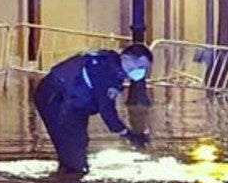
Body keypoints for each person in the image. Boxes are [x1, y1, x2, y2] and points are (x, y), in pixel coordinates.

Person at [34, 43, 152, 175]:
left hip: (72, 101)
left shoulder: (110, 65)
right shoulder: (106, 71)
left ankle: (69, 176)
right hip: (55, 98)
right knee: (74, 153)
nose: (141, 72)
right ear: (126, 58)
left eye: (144, 69)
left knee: (78, 144)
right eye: (140, 66)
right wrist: (128, 134)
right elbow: (107, 110)